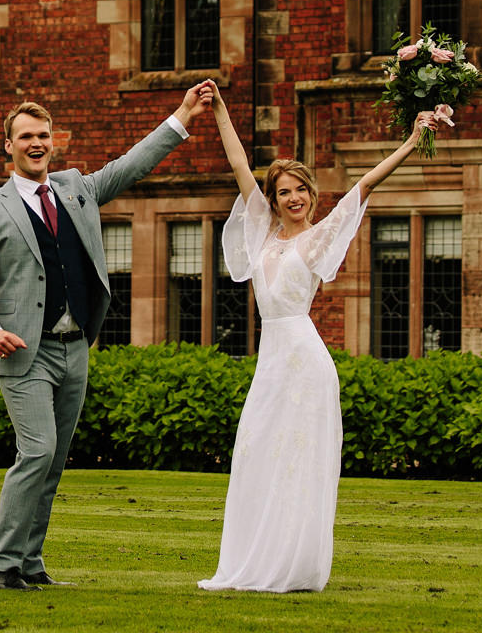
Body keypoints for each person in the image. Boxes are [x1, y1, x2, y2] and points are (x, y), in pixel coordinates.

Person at [0, 85, 214, 591]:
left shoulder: (77, 188)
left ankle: (30, 565)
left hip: (76, 348)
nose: (37, 143)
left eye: (44, 135)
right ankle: (0, 566)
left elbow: (132, 164)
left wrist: (183, 115)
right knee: (36, 451)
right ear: (7, 145)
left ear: (54, 142)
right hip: (24, 352)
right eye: (26, 136)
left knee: (51, 463)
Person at [198, 81, 450, 593]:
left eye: (301, 190)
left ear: (312, 196)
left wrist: (411, 138)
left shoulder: (319, 238)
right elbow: (239, 164)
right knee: (255, 453)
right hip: (270, 363)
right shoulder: (262, 230)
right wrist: (220, 109)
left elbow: (365, 187)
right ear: (273, 199)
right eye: (284, 191)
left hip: (305, 362)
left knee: (296, 460)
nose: (293, 198)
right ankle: (254, 561)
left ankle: (293, 567)